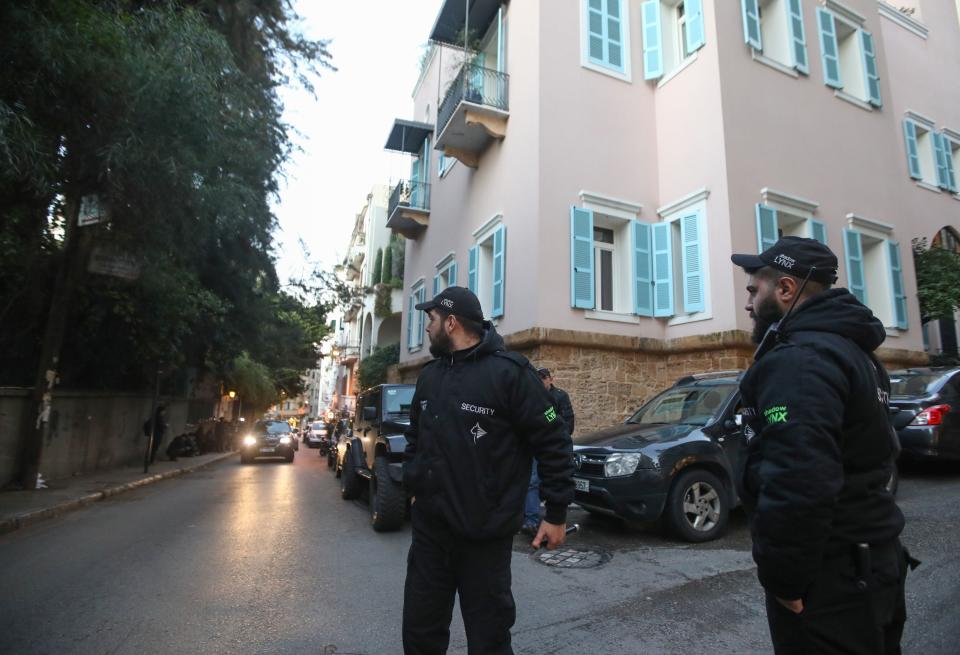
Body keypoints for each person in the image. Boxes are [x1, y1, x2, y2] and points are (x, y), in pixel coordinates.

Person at [731, 236, 915, 655]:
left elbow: (800, 479)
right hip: (876, 563)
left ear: (785, 289)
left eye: (752, 288)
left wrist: (785, 580)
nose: (747, 301)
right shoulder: (855, 353)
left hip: (834, 579)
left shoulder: (800, 360)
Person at [402, 286, 574, 655]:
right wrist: (414, 484)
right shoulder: (429, 377)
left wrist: (556, 512)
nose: (427, 329)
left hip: (484, 537)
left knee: (489, 639)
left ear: (451, 323)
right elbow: (415, 436)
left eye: (430, 320)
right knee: (420, 633)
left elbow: (553, 440)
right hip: (431, 534)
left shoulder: (511, 374)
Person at [521, 368, 576, 536]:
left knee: (538, 481)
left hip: (548, 445)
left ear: (551, 379)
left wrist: (556, 439)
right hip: (532, 445)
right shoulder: (532, 395)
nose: (542, 380)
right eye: (539, 378)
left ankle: (536, 519)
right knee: (530, 482)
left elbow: (565, 423)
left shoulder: (559, 396)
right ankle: (530, 519)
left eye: (544, 378)